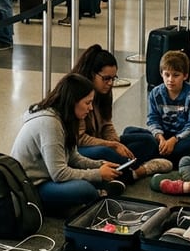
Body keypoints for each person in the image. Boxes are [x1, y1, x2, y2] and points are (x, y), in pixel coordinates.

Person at [10, 73, 126, 215]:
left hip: (48, 178)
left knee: (102, 174)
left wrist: (100, 165)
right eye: (87, 103)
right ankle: (93, 199)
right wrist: (97, 174)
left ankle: (89, 199)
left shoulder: (66, 118)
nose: (90, 108)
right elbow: (59, 173)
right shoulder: (50, 124)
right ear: (72, 101)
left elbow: (74, 158)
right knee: (84, 189)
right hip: (33, 187)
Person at [70, 45, 164, 176]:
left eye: (113, 78)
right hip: (80, 150)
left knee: (148, 141)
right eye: (106, 78)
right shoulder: (77, 94)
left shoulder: (104, 92)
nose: (110, 83)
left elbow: (106, 124)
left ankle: (127, 168)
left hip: (102, 142)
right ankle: (135, 170)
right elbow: (80, 139)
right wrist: (112, 146)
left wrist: (116, 143)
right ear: (92, 74)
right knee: (104, 153)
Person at [145, 50, 190, 162]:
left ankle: (159, 156)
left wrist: (174, 140)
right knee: (131, 132)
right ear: (161, 73)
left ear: (185, 76)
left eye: (176, 75)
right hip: (162, 138)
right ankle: (170, 156)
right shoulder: (155, 93)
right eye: (167, 75)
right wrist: (161, 138)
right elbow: (152, 119)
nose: (170, 80)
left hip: (183, 138)